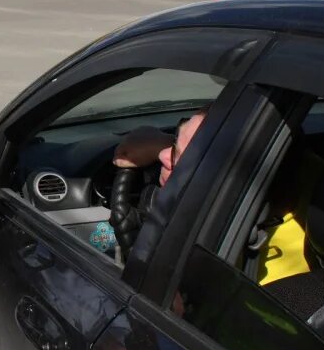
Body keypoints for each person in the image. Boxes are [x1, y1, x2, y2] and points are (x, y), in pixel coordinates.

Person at [113, 107, 311, 285]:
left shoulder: (275, 285)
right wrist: (164, 142)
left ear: (226, 188)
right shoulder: (305, 170)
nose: (163, 154)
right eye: (175, 141)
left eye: (184, 159)